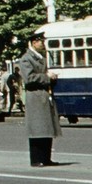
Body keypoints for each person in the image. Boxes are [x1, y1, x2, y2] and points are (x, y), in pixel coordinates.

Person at [17, 32, 63, 167]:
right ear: (32, 43)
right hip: (35, 96)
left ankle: (46, 157)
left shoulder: (41, 57)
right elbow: (29, 78)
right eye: (39, 41)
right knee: (37, 129)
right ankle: (37, 159)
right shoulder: (26, 59)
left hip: (44, 95)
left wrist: (51, 78)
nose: (42, 43)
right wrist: (47, 77)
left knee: (47, 128)